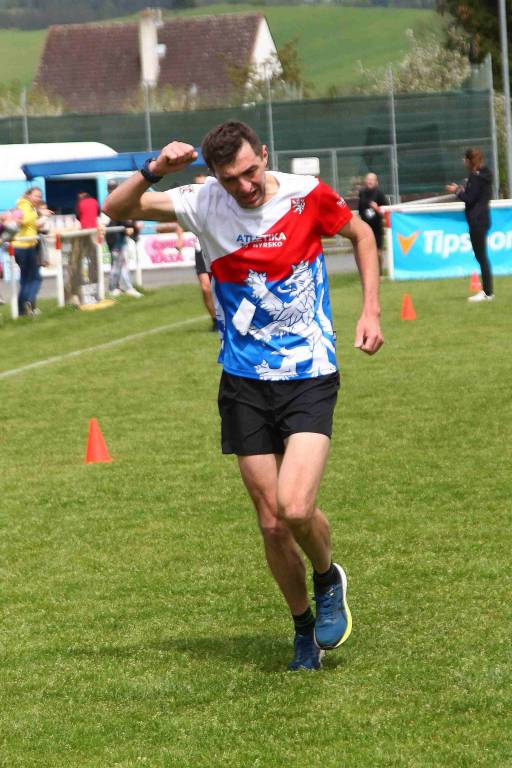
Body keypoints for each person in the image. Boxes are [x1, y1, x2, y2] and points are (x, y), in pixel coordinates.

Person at [103, 121, 383, 672]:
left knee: (295, 507)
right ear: (214, 176)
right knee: (272, 523)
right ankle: (302, 627)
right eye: (231, 179)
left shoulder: (306, 195)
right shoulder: (202, 202)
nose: (245, 186)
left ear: (265, 155)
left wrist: (370, 309)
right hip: (243, 382)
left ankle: (327, 577)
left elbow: (362, 236)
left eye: (251, 171)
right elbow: (116, 208)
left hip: (308, 372)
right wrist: (155, 168)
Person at [446, 148, 494, 302]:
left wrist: (457, 191)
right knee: (481, 256)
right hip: (483, 219)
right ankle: (488, 292)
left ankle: (487, 292)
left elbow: (470, 198)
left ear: (469, 161)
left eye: (464, 159)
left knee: (481, 257)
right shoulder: (485, 174)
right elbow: (476, 195)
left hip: (477, 221)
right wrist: (462, 189)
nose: (463, 162)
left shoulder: (476, 177)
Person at [105, 181, 143, 298]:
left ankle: (118, 287)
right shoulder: (111, 202)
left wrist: (132, 226)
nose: (113, 190)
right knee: (118, 264)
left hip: (118, 236)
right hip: (114, 237)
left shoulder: (114, 201)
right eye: (111, 188)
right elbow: (121, 217)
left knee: (120, 263)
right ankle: (118, 288)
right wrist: (130, 226)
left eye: (114, 188)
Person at [12, 187, 45, 316]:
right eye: (36, 196)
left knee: (25, 279)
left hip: (25, 246)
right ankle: (29, 301)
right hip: (24, 246)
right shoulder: (25, 206)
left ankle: (22, 310)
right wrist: (38, 214)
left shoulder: (28, 206)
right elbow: (24, 221)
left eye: (40, 196)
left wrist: (39, 213)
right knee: (36, 278)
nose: (38, 199)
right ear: (28, 195)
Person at [358, 172, 387, 278]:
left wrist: (377, 208)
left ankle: (380, 273)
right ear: (365, 181)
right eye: (368, 179)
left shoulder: (379, 194)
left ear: (376, 182)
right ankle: (368, 273)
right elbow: (360, 210)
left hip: (377, 228)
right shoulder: (362, 193)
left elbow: (386, 211)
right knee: (365, 253)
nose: (370, 181)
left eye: (372, 180)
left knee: (378, 252)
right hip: (365, 228)